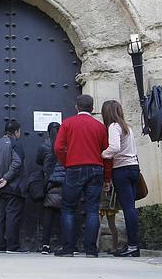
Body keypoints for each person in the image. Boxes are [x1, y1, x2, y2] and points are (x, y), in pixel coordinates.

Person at [53, 95, 108, 258]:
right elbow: (107, 154)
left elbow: (58, 147)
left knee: (68, 208)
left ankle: (68, 248)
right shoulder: (100, 127)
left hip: (74, 168)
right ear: (92, 108)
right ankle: (91, 250)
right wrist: (108, 177)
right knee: (92, 209)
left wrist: (66, 162)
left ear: (76, 107)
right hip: (96, 168)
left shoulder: (68, 123)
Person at [101, 100, 140, 257]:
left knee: (128, 208)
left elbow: (115, 148)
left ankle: (132, 246)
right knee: (131, 207)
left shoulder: (113, 127)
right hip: (134, 168)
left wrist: (102, 154)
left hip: (121, 170)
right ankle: (133, 244)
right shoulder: (127, 127)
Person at [0, 120, 27, 254]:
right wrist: (6, 178)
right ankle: (12, 246)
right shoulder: (15, 143)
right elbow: (17, 163)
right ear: (16, 131)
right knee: (12, 215)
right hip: (12, 186)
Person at [36, 122, 65, 255]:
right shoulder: (65, 144)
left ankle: (45, 245)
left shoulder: (44, 146)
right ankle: (68, 244)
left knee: (48, 214)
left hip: (50, 183)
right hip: (65, 182)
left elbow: (38, 161)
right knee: (66, 214)